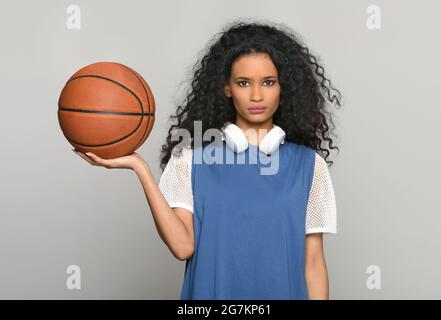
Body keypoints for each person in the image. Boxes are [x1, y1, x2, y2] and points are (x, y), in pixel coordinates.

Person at [74, 20, 342, 300]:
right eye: (243, 83)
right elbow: (182, 247)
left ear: (283, 87)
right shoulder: (190, 159)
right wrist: (139, 167)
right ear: (227, 88)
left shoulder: (310, 166)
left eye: (268, 82)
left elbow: (313, 265)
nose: (256, 95)